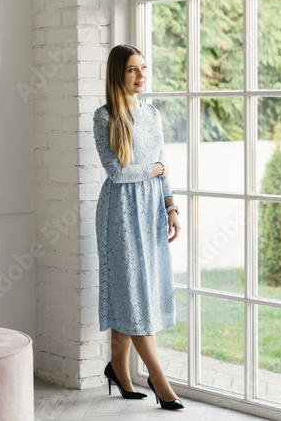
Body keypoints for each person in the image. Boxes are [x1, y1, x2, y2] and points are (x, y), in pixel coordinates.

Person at [93, 44, 184, 410]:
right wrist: (155, 170)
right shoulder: (104, 117)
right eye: (133, 69)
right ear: (119, 74)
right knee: (133, 295)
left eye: (143, 68)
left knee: (130, 292)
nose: (142, 75)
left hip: (150, 210)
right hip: (119, 212)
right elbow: (116, 173)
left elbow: (162, 163)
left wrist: (171, 206)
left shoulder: (153, 114)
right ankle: (160, 382)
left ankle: (118, 368)